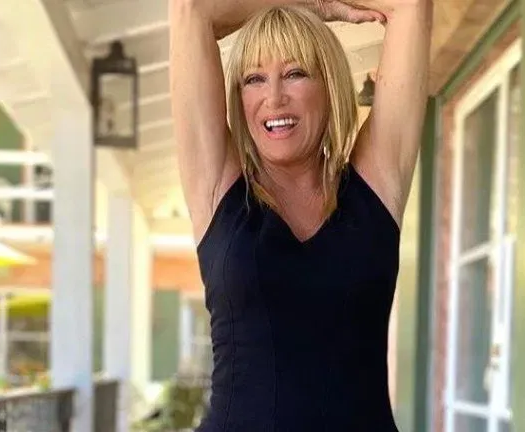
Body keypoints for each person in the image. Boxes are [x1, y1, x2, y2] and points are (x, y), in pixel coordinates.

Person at [169, 0, 430, 429]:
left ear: (328, 84)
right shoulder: (217, 188)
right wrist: (311, 5)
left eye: (295, 73)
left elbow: (410, 7)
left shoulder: (377, 186)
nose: (274, 98)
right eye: (254, 79)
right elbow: (190, 9)